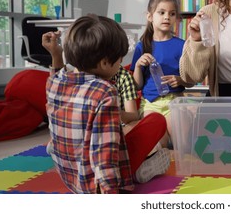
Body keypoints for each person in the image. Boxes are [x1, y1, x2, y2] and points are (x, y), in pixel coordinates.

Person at [42, 15, 170, 194]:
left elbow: (57, 76)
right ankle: (139, 168)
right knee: (156, 120)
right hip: (93, 184)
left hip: (69, 178)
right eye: (119, 60)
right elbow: (104, 152)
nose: (121, 64)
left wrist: (56, 54)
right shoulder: (104, 91)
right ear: (104, 63)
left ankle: (140, 167)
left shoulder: (54, 82)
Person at [130, 0, 193, 147]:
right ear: (150, 16)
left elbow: (191, 79)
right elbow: (137, 85)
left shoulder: (182, 45)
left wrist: (180, 80)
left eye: (172, 14)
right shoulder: (142, 46)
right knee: (158, 144)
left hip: (175, 101)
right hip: (151, 103)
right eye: (162, 12)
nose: (167, 17)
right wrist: (138, 65)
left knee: (182, 143)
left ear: (176, 19)